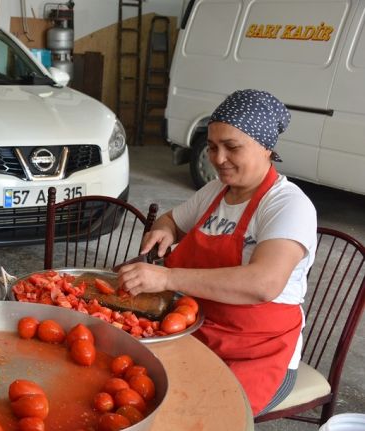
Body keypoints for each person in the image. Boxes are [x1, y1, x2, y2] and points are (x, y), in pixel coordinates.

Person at [117, 89, 317, 416]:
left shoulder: (288, 205)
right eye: (212, 147)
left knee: (194, 417)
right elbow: (171, 220)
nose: (218, 159)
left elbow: (263, 283)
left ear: (266, 147)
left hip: (257, 354)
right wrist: (165, 230)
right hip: (198, 334)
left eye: (232, 147)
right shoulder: (215, 191)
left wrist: (167, 277)